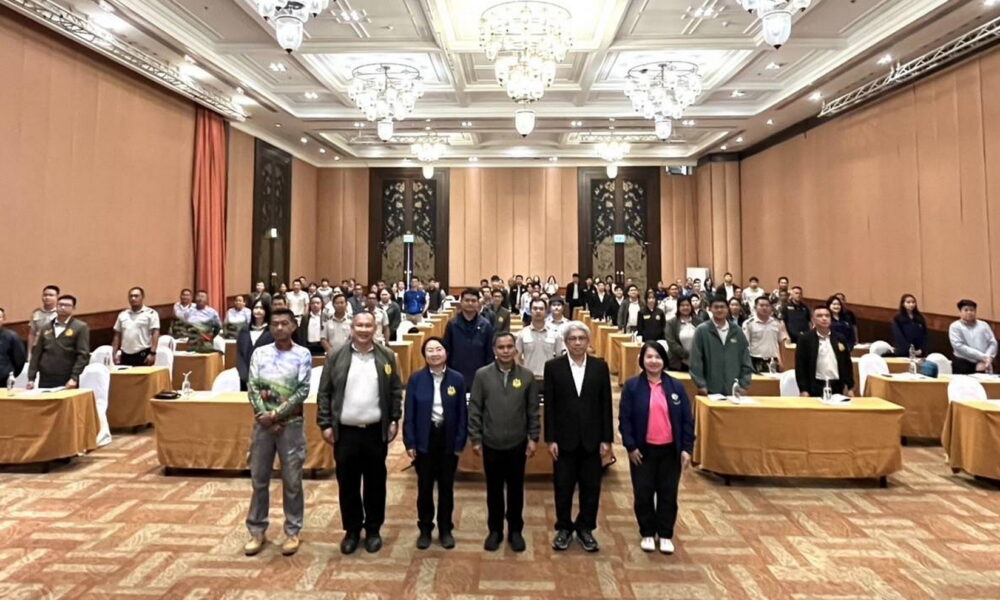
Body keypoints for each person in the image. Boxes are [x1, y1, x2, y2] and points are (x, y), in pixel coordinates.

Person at [317, 312, 403, 555]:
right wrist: (325, 424)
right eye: (359, 325)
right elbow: (324, 393)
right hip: (345, 433)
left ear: (375, 328)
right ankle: (352, 530)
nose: (364, 329)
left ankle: (373, 529)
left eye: (368, 325)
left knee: (376, 483)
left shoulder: (386, 356)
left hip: (375, 431)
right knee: (348, 484)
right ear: (351, 328)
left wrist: (394, 419)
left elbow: (395, 390)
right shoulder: (336, 356)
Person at [243, 307, 312, 557]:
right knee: (259, 479)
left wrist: (276, 415)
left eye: (284, 323)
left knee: (292, 481)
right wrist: (265, 417)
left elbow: (302, 390)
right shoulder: (260, 353)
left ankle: (292, 530)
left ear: (294, 326)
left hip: (290, 426)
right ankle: (256, 530)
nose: (279, 328)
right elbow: (252, 386)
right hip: (262, 426)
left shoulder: (302, 354)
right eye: (275, 324)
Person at [544, 322, 613, 553]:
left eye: (581, 338)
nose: (577, 343)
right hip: (563, 439)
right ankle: (563, 527)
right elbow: (550, 406)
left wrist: (607, 439)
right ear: (565, 342)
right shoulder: (553, 367)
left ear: (588, 341)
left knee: (591, 488)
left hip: (593, 439)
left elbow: (606, 405)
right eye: (572, 339)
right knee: (563, 487)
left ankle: (585, 528)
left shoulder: (600, 367)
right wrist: (550, 438)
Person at [619, 342, 694, 555]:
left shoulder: (676, 386)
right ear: (642, 360)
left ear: (664, 360)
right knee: (643, 493)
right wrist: (630, 446)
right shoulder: (632, 386)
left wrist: (687, 448)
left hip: (670, 451)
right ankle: (647, 532)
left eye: (658, 357)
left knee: (668, 494)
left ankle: (665, 533)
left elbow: (687, 420)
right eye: (649, 357)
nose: (653, 361)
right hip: (642, 451)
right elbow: (625, 420)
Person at [468, 332, 540, 552]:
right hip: (491, 443)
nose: (506, 351)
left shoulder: (527, 376)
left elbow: (533, 410)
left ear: (515, 349)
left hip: (517, 443)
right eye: (501, 347)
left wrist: (533, 437)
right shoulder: (482, 375)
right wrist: (476, 438)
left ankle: (515, 530)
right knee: (494, 490)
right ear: (494, 350)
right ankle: (495, 530)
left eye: (510, 346)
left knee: (516, 490)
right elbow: (475, 408)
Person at [404, 337, 467, 550]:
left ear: (446, 353)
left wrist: (459, 442)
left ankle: (445, 528)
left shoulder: (457, 379)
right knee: (425, 487)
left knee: (446, 488)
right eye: (429, 350)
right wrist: (410, 442)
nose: (434, 354)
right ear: (424, 355)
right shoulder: (416, 379)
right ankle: (425, 528)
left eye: (438, 349)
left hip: (448, 440)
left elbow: (462, 413)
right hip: (425, 439)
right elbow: (409, 413)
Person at [690, 296, 753, 396]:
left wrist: (744, 385)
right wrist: (701, 385)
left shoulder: (737, 331)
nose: (719, 310)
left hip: (734, 390)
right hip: (709, 390)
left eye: (722, 307)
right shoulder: (701, 330)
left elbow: (745, 359)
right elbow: (695, 360)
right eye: (716, 307)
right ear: (710, 309)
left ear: (727, 309)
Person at [27, 295, 89, 389]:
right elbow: (37, 353)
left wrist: (75, 377)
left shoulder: (80, 327)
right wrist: (31, 378)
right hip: (46, 376)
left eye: (67, 305)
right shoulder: (46, 327)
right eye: (60, 305)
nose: (63, 307)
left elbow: (83, 354)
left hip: (68, 376)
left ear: (73, 308)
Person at [795, 306, 855, 396]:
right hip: (815, 386)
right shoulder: (805, 339)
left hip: (837, 385)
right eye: (819, 316)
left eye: (827, 316)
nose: (824, 318)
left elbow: (847, 364)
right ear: (813, 320)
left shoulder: (840, 338)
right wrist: (803, 390)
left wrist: (850, 387)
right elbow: (800, 366)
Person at [442, 289, 495, 387]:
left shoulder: (485, 325)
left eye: (473, 301)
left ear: (478, 303)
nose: (470, 303)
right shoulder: (452, 324)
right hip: (456, 373)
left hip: (480, 374)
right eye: (467, 300)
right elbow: (446, 350)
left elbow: (490, 353)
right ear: (461, 302)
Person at [111, 287, 160, 366]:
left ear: (142, 297)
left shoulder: (151, 314)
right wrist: (114, 353)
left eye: (136, 296)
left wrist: (152, 353)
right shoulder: (123, 315)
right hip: (125, 355)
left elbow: (155, 333)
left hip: (143, 354)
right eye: (131, 296)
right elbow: (117, 335)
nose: (133, 298)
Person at [516, 299, 565, 378]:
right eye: (535, 308)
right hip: (528, 378)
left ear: (546, 312)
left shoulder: (555, 334)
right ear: (530, 311)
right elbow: (516, 357)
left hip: (549, 377)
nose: (538, 311)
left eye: (541, 309)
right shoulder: (522, 334)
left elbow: (560, 358)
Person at [949, 299, 997, 374]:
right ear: (960, 312)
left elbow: (992, 342)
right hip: (964, 363)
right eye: (966, 310)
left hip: (984, 363)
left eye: (972, 310)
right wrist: (983, 357)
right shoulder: (955, 326)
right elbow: (958, 346)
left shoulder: (984, 325)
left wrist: (988, 357)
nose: (969, 312)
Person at [742, 296, 788, 373]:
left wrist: (782, 361)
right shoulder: (748, 324)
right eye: (761, 305)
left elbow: (781, 343)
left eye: (767, 306)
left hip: (773, 360)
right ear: (755, 307)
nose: (764, 308)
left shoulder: (776, 323)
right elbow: (745, 345)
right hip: (755, 360)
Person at [237, 299, 273, 391]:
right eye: (256, 308)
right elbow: (240, 355)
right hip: (245, 379)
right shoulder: (244, 331)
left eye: (261, 308)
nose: (258, 310)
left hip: (265, 379)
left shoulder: (272, 331)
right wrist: (244, 376)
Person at [665, 297, 702, 372]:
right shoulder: (671, 323)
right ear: (678, 307)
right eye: (682, 305)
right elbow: (671, 342)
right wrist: (685, 354)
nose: (685, 307)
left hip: (697, 361)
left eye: (687, 305)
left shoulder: (699, 321)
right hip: (677, 363)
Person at [27, 285, 60, 357]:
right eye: (45, 295)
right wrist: (29, 353)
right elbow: (32, 334)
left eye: (51, 295)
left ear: (57, 297)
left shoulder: (61, 314)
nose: (47, 297)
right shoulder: (36, 313)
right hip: (38, 349)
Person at [0, 308, 27, 382]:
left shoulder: (12, 336)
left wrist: (11, 374)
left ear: (3, 319)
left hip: (4, 379)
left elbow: (19, 360)